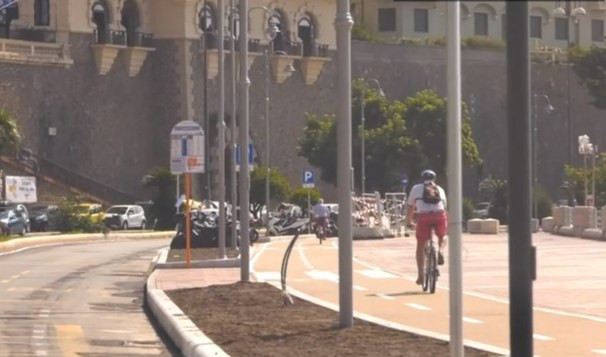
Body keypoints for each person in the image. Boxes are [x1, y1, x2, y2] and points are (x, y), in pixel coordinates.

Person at [405, 169, 447, 285]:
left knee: (420, 245)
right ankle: (441, 251)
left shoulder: (416, 188)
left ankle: (420, 277)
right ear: (434, 179)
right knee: (443, 236)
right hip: (439, 216)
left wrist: (409, 222)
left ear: (421, 178)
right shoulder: (440, 189)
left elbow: (410, 208)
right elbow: (444, 206)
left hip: (423, 218)